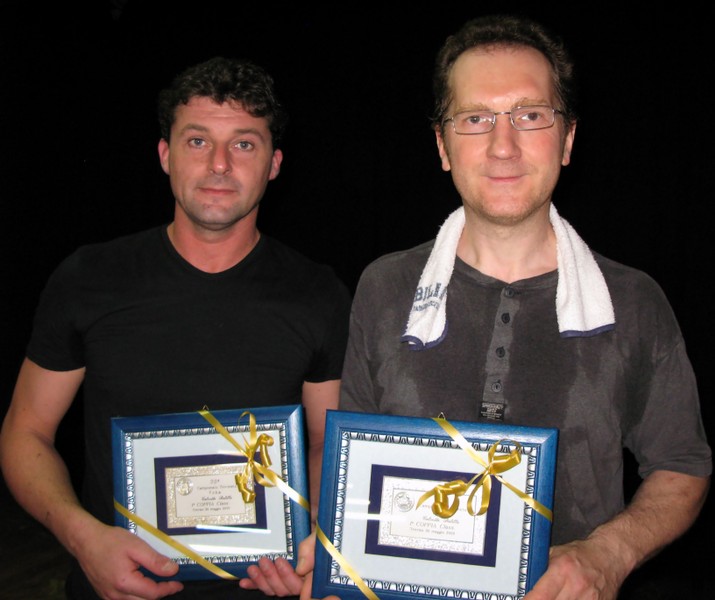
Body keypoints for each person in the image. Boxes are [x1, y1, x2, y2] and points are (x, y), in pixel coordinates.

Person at [274, 13, 712, 600]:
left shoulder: (633, 301)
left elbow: (683, 464)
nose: (503, 146)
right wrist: (334, 561)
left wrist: (609, 554)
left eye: (530, 116)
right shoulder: (385, 288)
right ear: (443, 146)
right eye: (476, 119)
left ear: (568, 139)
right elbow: (355, 470)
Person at [0, 56, 351, 599]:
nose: (219, 164)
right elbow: (26, 431)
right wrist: (82, 538)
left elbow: (327, 440)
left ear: (274, 164)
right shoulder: (89, 278)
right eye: (197, 141)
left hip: (264, 587)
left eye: (244, 144)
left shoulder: (317, 294)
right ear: (165, 154)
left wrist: (307, 534)